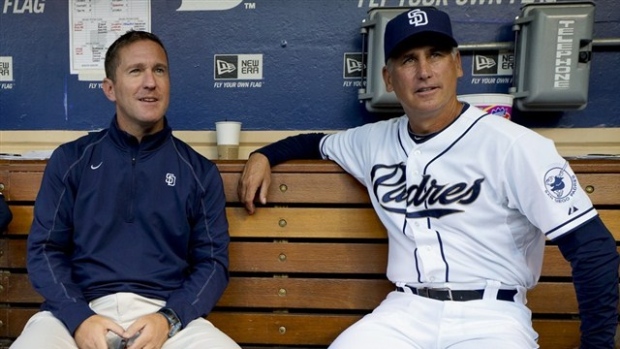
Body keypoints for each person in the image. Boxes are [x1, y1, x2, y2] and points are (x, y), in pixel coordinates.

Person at [237, 8, 619, 349]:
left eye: (435, 55)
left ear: (457, 64)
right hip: (405, 311)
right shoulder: (373, 141)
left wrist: (597, 344)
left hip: (491, 317)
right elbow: (313, 143)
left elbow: (593, 249)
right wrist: (263, 155)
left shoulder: (514, 146)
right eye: (408, 59)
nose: (424, 71)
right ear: (388, 78)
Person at [11, 31, 240, 349]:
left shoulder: (199, 172)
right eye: (136, 71)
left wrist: (169, 319)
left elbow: (213, 264)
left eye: (159, 70)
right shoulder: (71, 160)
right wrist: (78, 318)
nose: (150, 82)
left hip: (164, 316)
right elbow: (44, 251)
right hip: (79, 311)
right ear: (109, 89)